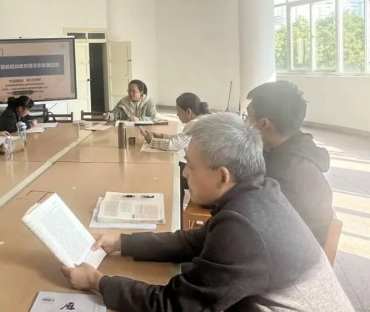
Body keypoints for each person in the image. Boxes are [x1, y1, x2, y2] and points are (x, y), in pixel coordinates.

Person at [61, 113, 353, 312]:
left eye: (190, 166)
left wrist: (97, 282)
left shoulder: (244, 227)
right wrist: (123, 242)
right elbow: (195, 241)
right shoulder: (259, 192)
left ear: (222, 176)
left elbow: (176, 305)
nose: (185, 173)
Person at [247, 80, 333, 245]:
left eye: (248, 118)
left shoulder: (289, 171)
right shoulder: (286, 148)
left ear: (264, 123)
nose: (245, 124)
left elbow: (265, 225)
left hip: (294, 251)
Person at [141, 92, 210, 209]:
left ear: (188, 112)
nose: (177, 114)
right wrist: (161, 136)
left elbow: (173, 145)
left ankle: (176, 212)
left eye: (178, 111)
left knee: (174, 177)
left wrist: (151, 141)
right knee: (175, 167)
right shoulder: (202, 120)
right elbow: (181, 138)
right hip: (207, 170)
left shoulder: (195, 125)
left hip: (206, 178)